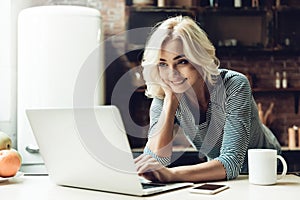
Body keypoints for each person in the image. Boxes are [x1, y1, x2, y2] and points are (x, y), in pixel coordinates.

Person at [134, 15, 281, 183]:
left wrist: (171, 174)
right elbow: (157, 160)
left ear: (199, 58)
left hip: (268, 172)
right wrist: (170, 101)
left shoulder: (234, 85)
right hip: (220, 175)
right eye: (162, 64)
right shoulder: (165, 94)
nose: (171, 73)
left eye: (181, 61)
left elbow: (232, 162)